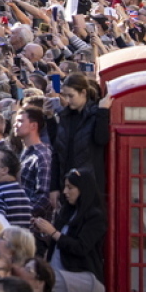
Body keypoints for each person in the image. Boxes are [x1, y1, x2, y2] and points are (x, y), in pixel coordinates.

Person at [32, 168, 106, 287]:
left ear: (83, 189)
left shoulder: (95, 216)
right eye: (65, 187)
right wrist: (44, 229)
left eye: (70, 187)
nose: (65, 191)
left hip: (78, 280)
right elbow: (57, 241)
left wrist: (53, 232)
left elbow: (81, 247)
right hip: (56, 275)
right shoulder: (67, 212)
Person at [49, 74, 111, 208]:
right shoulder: (65, 117)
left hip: (89, 186)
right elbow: (57, 152)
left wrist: (103, 112)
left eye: (71, 96)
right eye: (65, 95)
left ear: (83, 93)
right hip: (66, 185)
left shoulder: (96, 114)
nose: (67, 100)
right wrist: (54, 187)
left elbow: (101, 140)